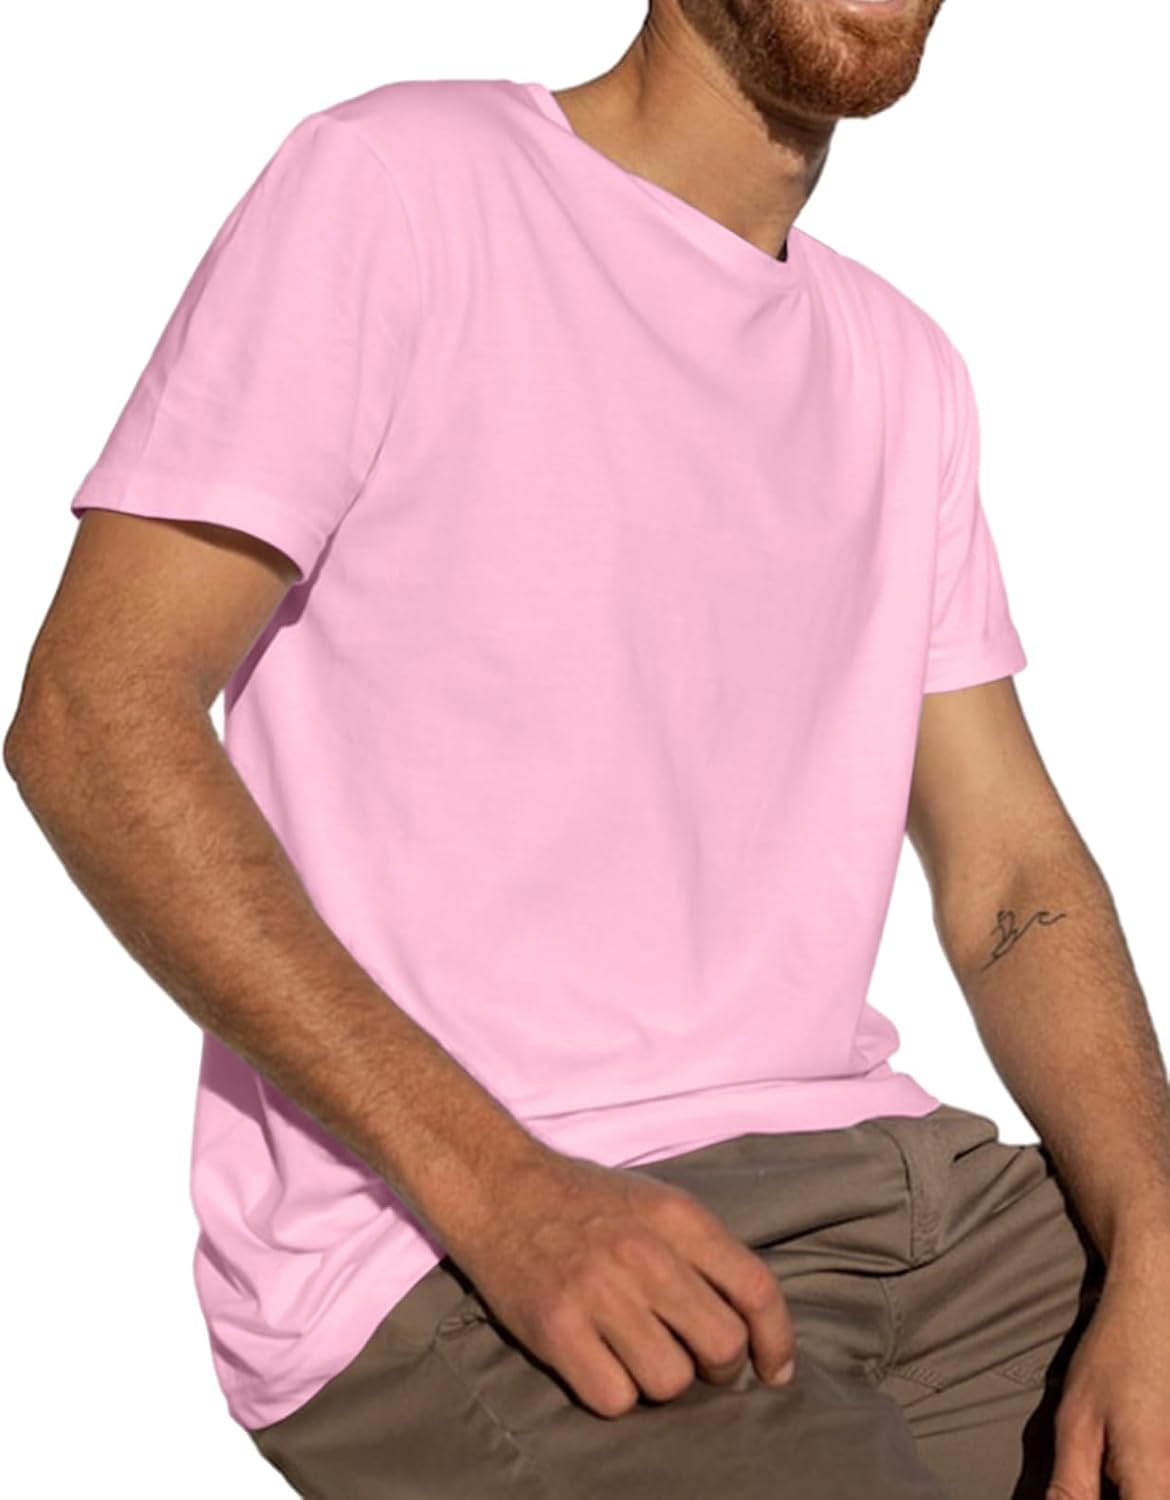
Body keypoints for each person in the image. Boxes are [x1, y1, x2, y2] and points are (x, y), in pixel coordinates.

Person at [5, 0, 1168, 1494]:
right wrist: (503, 1194)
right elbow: (93, 716)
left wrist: (1155, 1233)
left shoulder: (900, 363)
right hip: (462, 1232)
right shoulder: (404, 184)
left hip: (915, 1204)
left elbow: (1008, 867)